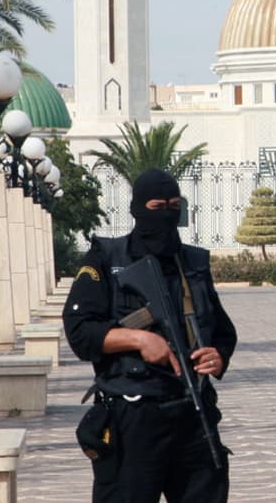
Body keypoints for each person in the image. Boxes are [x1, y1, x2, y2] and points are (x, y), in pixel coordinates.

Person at [64, 168, 238, 502]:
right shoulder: (106, 259)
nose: (167, 215)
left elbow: (222, 331)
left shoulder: (193, 264)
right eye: (158, 207)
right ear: (138, 209)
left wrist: (217, 356)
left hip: (193, 412)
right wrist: (139, 340)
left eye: (174, 206)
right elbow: (80, 332)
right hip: (134, 414)